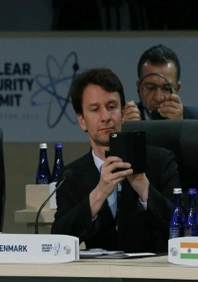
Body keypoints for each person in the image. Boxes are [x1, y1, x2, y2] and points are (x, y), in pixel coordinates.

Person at [51, 68, 180, 253]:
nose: (106, 117)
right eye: (95, 110)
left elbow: (182, 231)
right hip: (99, 279)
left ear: (123, 113)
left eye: (112, 107)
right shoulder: (71, 177)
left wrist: (143, 187)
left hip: (152, 276)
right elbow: (58, 241)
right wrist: (99, 193)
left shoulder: (160, 163)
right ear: (82, 121)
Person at [124, 44, 198, 123]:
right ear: (139, 88)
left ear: (177, 88)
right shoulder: (122, 119)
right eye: (151, 88)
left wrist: (181, 127)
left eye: (166, 88)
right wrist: (124, 132)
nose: (159, 98)